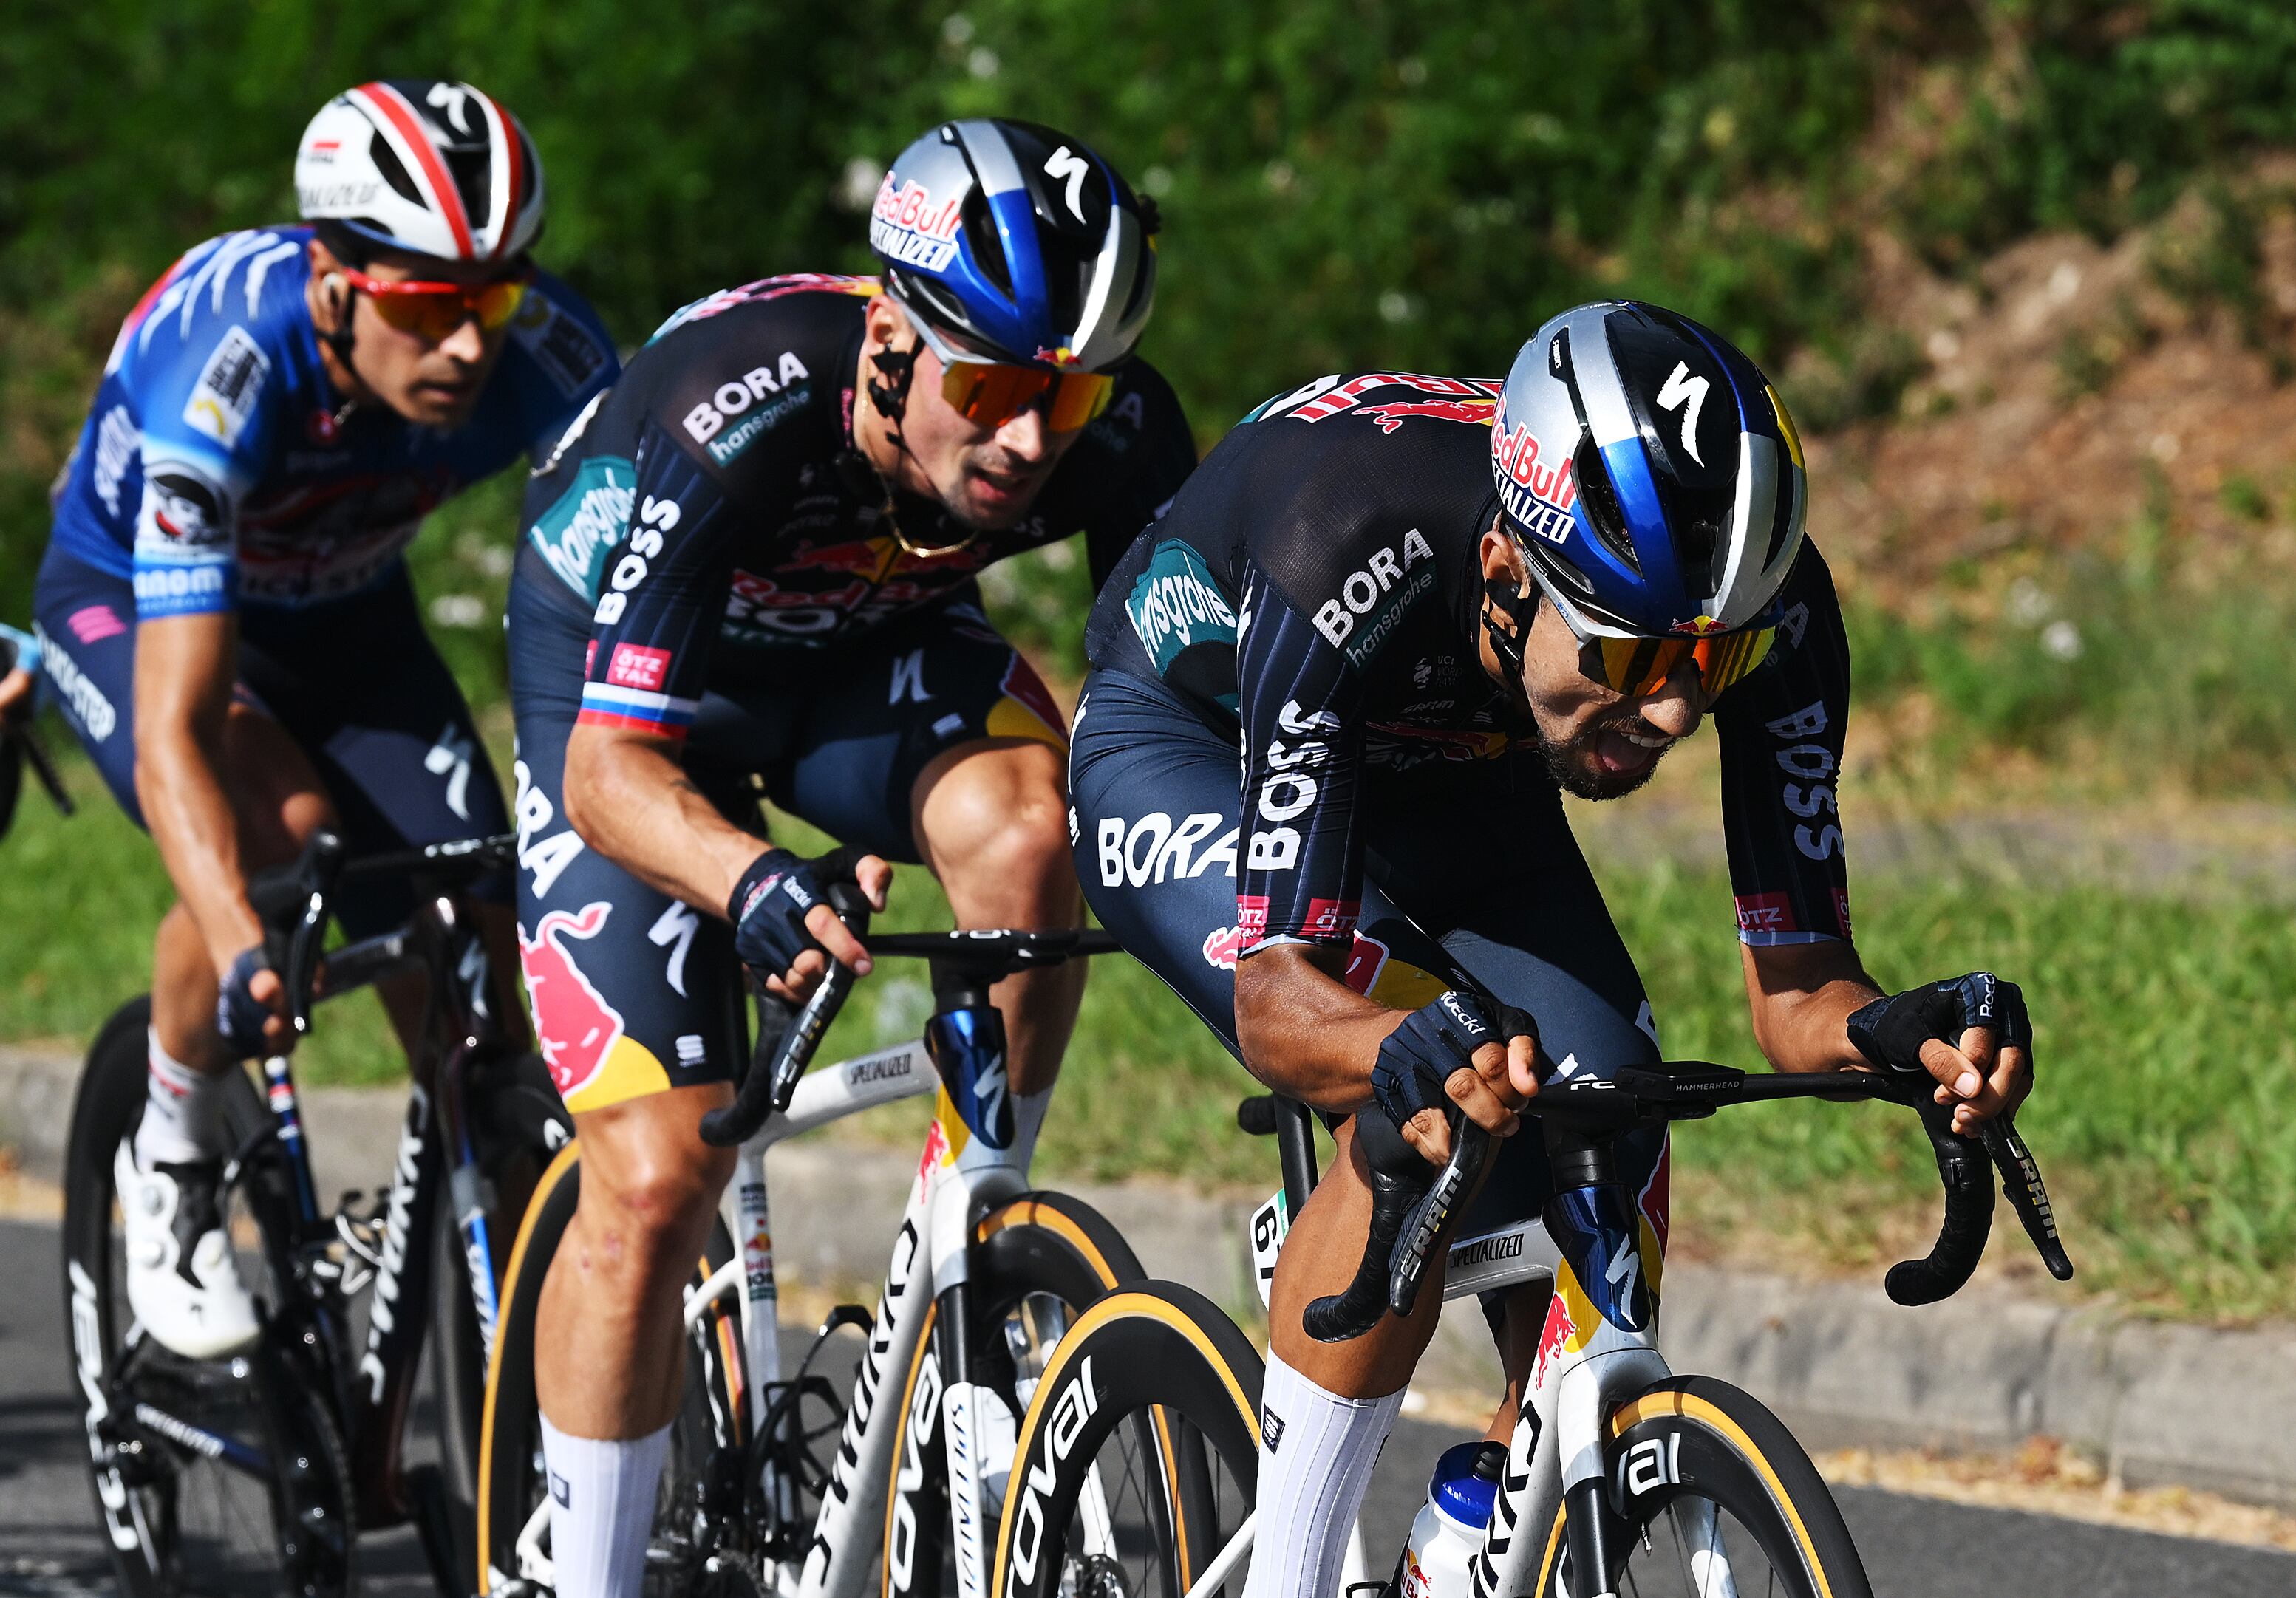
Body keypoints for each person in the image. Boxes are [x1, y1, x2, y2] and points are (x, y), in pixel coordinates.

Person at [1067, 303, 2035, 1598]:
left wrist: (1891, 1033)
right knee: (1414, 1091)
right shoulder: (1352, 533)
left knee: (1607, 1102)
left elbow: (1799, 983)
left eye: (1714, 659)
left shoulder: (1769, 602)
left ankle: (1496, 1520)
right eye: (1636, 654)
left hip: (1465, 770)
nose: (1680, 707)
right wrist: (1397, 1045)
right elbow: (1284, 1007)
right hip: (1192, 746)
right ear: (1514, 573)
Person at [505, 118, 1193, 1597]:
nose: (1031, 438)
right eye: (995, 386)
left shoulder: (1112, 435)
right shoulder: (727, 409)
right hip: (630, 698)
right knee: (650, 1180)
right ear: (889, 338)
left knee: (1037, 823)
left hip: (861, 643)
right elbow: (608, 774)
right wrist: (752, 874)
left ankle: (979, 1226)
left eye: (1070, 392)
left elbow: (1170, 714)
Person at [32, 80, 617, 1359]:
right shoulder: (225, 383)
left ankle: (502, 1369)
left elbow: (635, 617)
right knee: (278, 832)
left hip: (348, 617)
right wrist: (247, 946)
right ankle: (174, 1149)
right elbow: (179, 733)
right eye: (428, 306)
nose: (469, 345)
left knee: (471, 958)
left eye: (493, 299)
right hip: (135, 605)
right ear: (337, 278)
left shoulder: (551, 353)